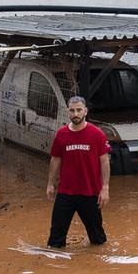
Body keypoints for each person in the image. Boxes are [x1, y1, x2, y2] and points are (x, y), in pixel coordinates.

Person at [46, 95, 111, 248]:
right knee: (55, 240)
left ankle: (96, 261)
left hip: (90, 192)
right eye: (72, 110)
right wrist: (50, 184)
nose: (76, 114)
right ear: (67, 112)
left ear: (85, 111)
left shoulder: (97, 134)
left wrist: (105, 188)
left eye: (79, 110)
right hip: (66, 192)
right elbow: (55, 159)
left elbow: (104, 161)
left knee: (98, 240)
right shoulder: (61, 134)